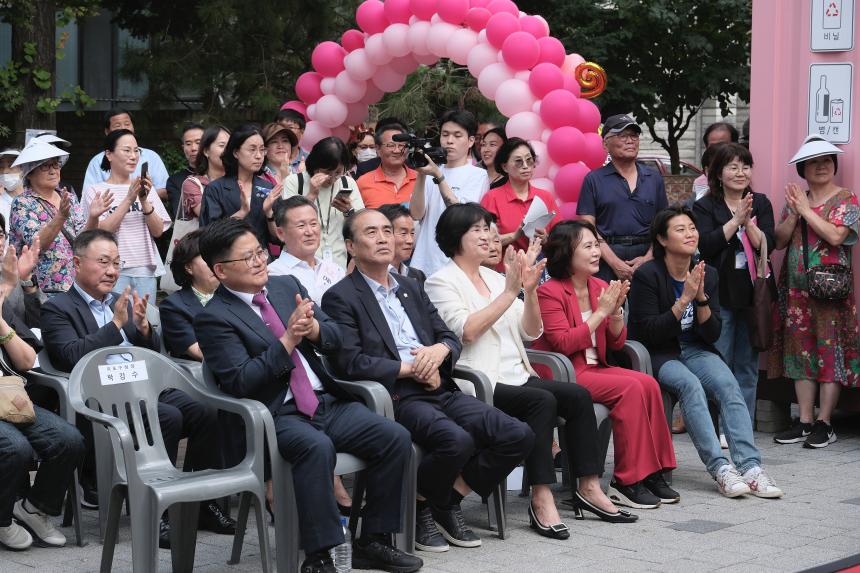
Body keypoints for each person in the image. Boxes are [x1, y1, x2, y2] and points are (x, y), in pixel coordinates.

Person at [194, 218, 422, 573]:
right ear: (221, 270)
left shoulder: (286, 286)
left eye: (260, 252)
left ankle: (374, 541)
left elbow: (336, 336)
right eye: (248, 258)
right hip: (274, 414)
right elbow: (241, 381)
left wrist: (313, 329)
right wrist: (288, 341)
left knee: (394, 437)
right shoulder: (213, 318)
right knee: (316, 448)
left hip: (324, 401)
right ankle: (319, 555)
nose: (260, 262)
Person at [322, 209, 534, 553]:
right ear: (350, 246)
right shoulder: (341, 296)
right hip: (395, 394)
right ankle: (425, 508)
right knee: (456, 441)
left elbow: (449, 336)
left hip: (439, 385)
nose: (383, 238)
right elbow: (350, 363)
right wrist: (412, 369)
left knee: (517, 434)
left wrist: (439, 351)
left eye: (387, 231)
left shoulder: (411, 287)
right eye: (371, 233)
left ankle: (437, 500)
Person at [426, 204, 637, 536]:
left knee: (577, 396)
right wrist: (511, 292)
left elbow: (530, 332)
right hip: (480, 380)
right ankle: (541, 496)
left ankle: (588, 486)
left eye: (488, 228)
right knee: (541, 402)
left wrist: (530, 291)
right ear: (455, 237)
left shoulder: (496, 278)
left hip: (518, 373)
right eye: (477, 229)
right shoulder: (440, 282)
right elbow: (466, 331)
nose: (487, 236)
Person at [39, 229, 234, 545]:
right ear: (76, 263)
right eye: (103, 262)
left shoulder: (122, 300)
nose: (112, 271)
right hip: (100, 402)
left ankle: (202, 504)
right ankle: (155, 511)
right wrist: (115, 325)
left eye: (117, 263)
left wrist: (143, 330)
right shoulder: (58, 307)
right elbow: (70, 356)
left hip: (144, 390)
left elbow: (151, 354)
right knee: (167, 417)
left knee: (205, 412)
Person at [628, 206, 783, 499]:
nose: (690, 234)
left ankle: (750, 467)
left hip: (695, 349)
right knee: (690, 386)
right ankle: (720, 468)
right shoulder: (648, 275)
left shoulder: (707, 273)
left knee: (728, 385)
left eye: (692, 228)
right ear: (662, 239)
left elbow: (712, 333)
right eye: (680, 229)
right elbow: (649, 332)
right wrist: (684, 298)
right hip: (660, 352)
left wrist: (700, 300)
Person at [530, 219, 678, 509]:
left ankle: (654, 472)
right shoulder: (550, 292)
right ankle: (626, 481)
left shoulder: (599, 286)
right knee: (631, 389)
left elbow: (617, 344)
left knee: (649, 384)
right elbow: (563, 343)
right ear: (567, 252)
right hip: (566, 372)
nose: (596, 252)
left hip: (596, 368)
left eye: (596, 245)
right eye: (588, 246)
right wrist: (601, 312)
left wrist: (616, 313)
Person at [771, 135, 860, 448]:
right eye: (813, 162)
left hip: (831, 291)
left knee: (829, 351)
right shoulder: (796, 199)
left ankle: (825, 422)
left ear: (834, 165)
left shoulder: (846, 198)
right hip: (797, 290)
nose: (821, 166)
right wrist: (796, 212)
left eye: (826, 161)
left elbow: (836, 237)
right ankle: (805, 420)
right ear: (802, 169)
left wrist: (806, 211)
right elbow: (779, 240)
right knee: (800, 351)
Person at [0, 243, 85, 551]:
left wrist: (0, 321)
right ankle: (3, 520)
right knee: (15, 448)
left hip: (10, 398)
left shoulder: (4, 308)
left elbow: (25, 361)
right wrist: (7, 286)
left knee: (69, 439)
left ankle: (34, 508)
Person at [693, 143, 774, 424]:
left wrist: (748, 222)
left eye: (746, 166)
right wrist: (735, 220)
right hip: (719, 295)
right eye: (733, 167)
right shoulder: (705, 205)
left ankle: (742, 424)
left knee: (748, 366)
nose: (741, 173)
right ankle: (716, 424)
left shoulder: (760, 202)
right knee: (720, 362)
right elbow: (705, 244)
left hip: (752, 295)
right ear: (718, 173)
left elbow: (768, 244)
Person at [82, 129, 172, 302]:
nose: (133, 156)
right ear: (109, 154)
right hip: (110, 269)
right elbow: (100, 234)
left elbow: (158, 231)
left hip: (145, 269)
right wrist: (129, 199)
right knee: (115, 317)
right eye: (127, 150)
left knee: (145, 317)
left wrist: (144, 200)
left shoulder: (145, 188)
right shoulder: (96, 191)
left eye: (136, 151)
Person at [9, 142, 109, 295]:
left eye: (56, 165)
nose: (53, 171)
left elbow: (83, 241)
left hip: (75, 286)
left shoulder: (68, 197)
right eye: (45, 166)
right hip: (39, 290)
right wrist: (61, 216)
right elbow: (37, 245)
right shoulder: (22, 202)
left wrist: (93, 217)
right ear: (29, 173)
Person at [577, 114, 668, 282]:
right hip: (606, 255)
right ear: (605, 144)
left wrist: (648, 257)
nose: (630, 141)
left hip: (648, 254)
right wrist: (614, 263)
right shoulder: (593, 179)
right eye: (622, 136)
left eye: (634, 136)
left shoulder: (654, 178)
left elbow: (665, 222)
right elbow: (587, 226)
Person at [410, 110, 490, 276]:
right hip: (422, 262)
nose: (449, 141)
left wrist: (438, 176)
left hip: (455, 266)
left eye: (457, 135)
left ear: (471, 141)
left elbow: (460, 216)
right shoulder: (430, 171)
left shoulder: (478, 175)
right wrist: (421, 174)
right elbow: (416, 214)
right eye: (445, 135)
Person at [281, 136, 365, 270]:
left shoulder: (347, 183)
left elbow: (361, 225)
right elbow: (286, 222)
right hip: (300, 264)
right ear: (314, 165)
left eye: (338, 172)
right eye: (327, 172)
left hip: (337, 264)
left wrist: (349, 212)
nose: (332, 178)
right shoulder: (295, 182)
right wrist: (311, 195)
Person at [199, 124, 279, 253]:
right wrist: (241, 213)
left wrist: (269, 213)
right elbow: (209, 236)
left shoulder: (267, 188)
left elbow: (278, 238)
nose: (259, 156)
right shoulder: (216, 189)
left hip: (262, 259)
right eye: (252, 149)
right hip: (229, 258)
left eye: (262, 149)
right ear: (236, 152)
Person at [480, 138, 560, 264]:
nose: (526, 166)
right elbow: (482, 241)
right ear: (505, 167)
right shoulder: (491, 198)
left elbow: (561, 239)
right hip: (504, 270)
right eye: (518, 161)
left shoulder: (545, 197)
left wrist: (545, 239)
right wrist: (515, 235)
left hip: (540, 269)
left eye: (529, 160)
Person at [268, 196, 345, 304]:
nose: (309, 232)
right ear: (281, 233)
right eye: (301, 226)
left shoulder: (336, 270)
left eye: (313, 224)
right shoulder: (274, 274)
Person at [82, 109, 170, 200]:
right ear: (107, 132)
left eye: (127, 124)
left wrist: (142, 195)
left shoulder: (151, 156)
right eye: (117, 126)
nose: (123, 128)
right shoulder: (97, 161)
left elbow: (165, 191)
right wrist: (127, 197)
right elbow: (88, 196)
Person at [159, 229, 219, 360]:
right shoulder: (172, 307)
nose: (216, 263)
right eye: (207, 257)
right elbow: (198, 351)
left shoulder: (235, 294)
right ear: (188, 267)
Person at [356, 124, 417, 209]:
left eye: (401, 145)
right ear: (378, 149)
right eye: (391, 145)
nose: (397, 151)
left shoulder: (422, 180)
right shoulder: (362, 183)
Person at [181, 125, 230, 220]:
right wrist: (242, 212)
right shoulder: (193, 184)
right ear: (206, 151)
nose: (228, 151)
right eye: (222, 145)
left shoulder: (243, 178)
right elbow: (209, 218)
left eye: (230, 146)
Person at [377, 203, 425, 284]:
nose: (410, 241)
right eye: (403, 233)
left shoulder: (417, 276)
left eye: (412, 233)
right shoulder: (371, 277)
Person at [692, 123, 739, 202]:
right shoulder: (699, 182)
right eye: (713, 146)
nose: (718, 150)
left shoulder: (743, 176)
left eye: (723, 145)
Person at [166, 123, 205, 218]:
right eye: (188, 144)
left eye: (198, 143)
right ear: (183, 148)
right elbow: (180, 215)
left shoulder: (219, 173)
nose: (193, 148)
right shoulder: (175, 181)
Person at [261, 122, 299, 187]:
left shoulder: (300, 173)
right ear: (264, 148)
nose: (280, 146)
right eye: (274, 142)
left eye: (285, 141)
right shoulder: (258, 175)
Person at [276, 108, 309, 173]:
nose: (284, 131)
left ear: (302, 132)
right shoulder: (266, 158)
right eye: (280, 127)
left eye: (290, 127)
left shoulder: (310, 159)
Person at [0, 149, 23, 229]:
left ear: (23, 168)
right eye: (1, 167)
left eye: (11, 165)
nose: (5, 171)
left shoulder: (36, 198)